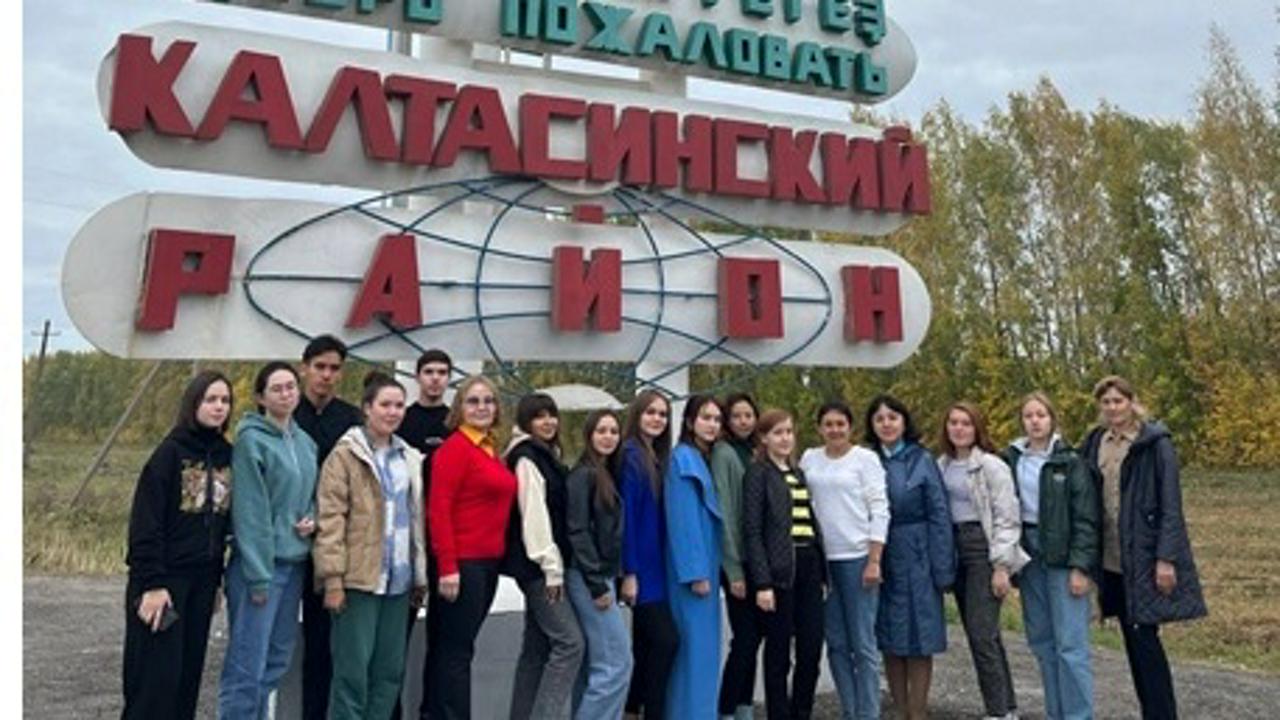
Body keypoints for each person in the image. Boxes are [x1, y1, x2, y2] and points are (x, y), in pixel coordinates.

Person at [1082, 376, 1206, 720]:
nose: (1112, 408)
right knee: (1132, 641)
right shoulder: (1095, 442)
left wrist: (1166, 558)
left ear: (1132, 402)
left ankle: (1162, 714)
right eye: (1106, 402)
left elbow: (1171, 505)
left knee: (1146, 641)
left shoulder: (1155, 444)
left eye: (1118, 401)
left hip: (1145, 558)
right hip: (1111, 558)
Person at [313, 372, 428, 720]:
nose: (393, 412)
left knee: (389, 674)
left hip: (398, 583)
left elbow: (416, 519)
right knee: (352, 675)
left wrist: (419, 574)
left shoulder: (408, 458)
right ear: (367, 408)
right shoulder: (344, 457)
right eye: (385, 405)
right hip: (358, 581)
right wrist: (333, 579)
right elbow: (330, 520)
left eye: (399, 405)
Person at [121, 371, 234, 720]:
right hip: (164, 581)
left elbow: (223, 524)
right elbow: (146, 523)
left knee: (187, 679)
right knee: (155, 682)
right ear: (193, 404)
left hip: (202, 582)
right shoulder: (170, 454)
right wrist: (153, 583)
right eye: (210, 399)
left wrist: (216, 582)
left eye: (225, 400)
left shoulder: (228, 456)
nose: (219, 407)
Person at [218, 361, 319, 719]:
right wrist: (258, 575)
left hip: (294, 564)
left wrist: (313, 517)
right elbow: (251, 512)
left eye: (291, 386)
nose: (286, 394)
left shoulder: (305, 443)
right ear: (261, 398)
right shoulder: (251, 441)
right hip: (259, 569)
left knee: (276, 661)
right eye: (277, 389)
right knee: (247, 665)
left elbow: (310, 494)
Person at [427, 375, 518, 720]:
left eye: (488, 401)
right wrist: (448, 567)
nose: (482, 407)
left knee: (459, 648)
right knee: (456, 652)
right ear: (460, 408)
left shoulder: (489, 449)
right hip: (463, 564)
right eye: (473, 401)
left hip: (487, 562)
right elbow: (439, 509)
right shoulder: (456, 449)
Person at [1002, 392, 1097, 720]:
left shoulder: (1070, 462)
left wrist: (1080, 566)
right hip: (1029, 555)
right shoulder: (1012, 459)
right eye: (1028, 416)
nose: (1035, 421)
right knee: (1043, 643)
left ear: (1052, 419)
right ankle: (1055, 713)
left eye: (1041, 415)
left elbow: (1085, 518)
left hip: (1063, 554)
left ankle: (1078, 715)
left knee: (1071, 645)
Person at [937, 402, 1028, 720]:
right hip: (954, 548)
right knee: (985, 635)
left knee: (981, 634)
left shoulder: (991, 466)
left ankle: (997, 712)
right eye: (953, 422)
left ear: (977, 428)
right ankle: (1008, 706)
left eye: (966, 423)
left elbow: (1007, 517)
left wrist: (1001, 566)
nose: (959, 428)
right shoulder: (942, 465)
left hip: (983, 549)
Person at [866, 394, 954, 720]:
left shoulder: (922, 460)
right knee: (890, 637)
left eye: (893, 417)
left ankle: (918, 712)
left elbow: (939, 514)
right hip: (881, 553)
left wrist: (942, 567)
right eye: (879, 419)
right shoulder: (867, 460)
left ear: (904, 422)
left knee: (920, 638)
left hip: (918, 555)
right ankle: (900, 709)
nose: (886, 424)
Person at [800, 401, 888, 720]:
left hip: (857, 558)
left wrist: (874, 559)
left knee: (863, 642)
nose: (834, 430)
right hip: (822, 562)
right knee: (836, 642)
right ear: (819, 428)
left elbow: (880, 508)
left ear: (850, 427)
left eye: (840, 424)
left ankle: (868, 712)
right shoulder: (810, 459)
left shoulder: (865, 459)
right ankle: (849, 710)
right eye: (828, 424)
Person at [292, 334, 363, 720]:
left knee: (328, 645)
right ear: (304, 368)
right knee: (282, 643)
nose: (326, 375)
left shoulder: (351, 420)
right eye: (319, 367)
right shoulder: (287, 415)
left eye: (334, 368)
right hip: (289, 541)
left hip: (334, 544)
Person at [503, 393, 585, 719]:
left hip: (538, 567)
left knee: (536, 650)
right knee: (570, 644)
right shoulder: (527, 458)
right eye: (539, 416)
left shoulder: (545, 455)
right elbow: (533, 515)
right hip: (539, 569)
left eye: (551, 415)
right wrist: (551, 568)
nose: (548, 422)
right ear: (526, 422)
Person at [742, 409, 826, 720]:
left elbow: (810, 523)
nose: (785, 438)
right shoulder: (758, 474)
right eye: (777, 433)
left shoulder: (798, 474)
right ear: (764, 438)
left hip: (809, 565)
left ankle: (801, 711)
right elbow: (752, 531)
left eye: (789, 431)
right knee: (778, 654)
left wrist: (822, 572)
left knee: (811, 649)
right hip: (779, 572)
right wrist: (762, 582)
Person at [393, 347, 453, 720]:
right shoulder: (403, 420)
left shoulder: (455, 423)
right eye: (429, 371)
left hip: (445, 543)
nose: (435, 378)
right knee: (396, 639)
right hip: (407, 540)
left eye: (442, 372)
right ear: (418, 376)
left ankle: (432, 711)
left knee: (443, 642)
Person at [564, 409, 633, 720]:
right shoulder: (583, 475)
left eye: (614, 431)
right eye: (601, 431)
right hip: (588, 577)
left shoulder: (605, 473)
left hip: (599, 575)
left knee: (596, 664)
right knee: (616, 664)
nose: (608, 437)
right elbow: (577, 530)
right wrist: (596, 583)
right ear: (589, 435)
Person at [664, 394, 725, 720]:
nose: (712, 424)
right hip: (692, 575)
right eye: (705, 417)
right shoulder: (683, 460)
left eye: (716, 419)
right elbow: (683, 519)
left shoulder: (699, 458)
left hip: (705, 568)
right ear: (689, 422)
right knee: (694, 652)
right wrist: (695, 572)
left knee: (702, 651)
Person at [620, 389, 679, 720]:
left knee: (644, 645)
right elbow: (626, 517)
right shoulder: (631, 456)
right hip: (641, 568)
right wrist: (630, 572)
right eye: (651, 412)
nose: (657, 419)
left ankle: (632, 709)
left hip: (656, 566)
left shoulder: (654, 456)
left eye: (663, 414)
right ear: (637, 415)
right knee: (666, 642)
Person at [715, 393, 756, 720]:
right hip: (737, 561)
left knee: (753, 638)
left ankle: (744, 708)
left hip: (757, 560)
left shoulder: (754, 451)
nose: (743, 421)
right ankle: (727, 709)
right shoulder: (724, 453)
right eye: (737, 415)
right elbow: (725, 510)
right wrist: (733, 570)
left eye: (748, 415)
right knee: (744, 639)